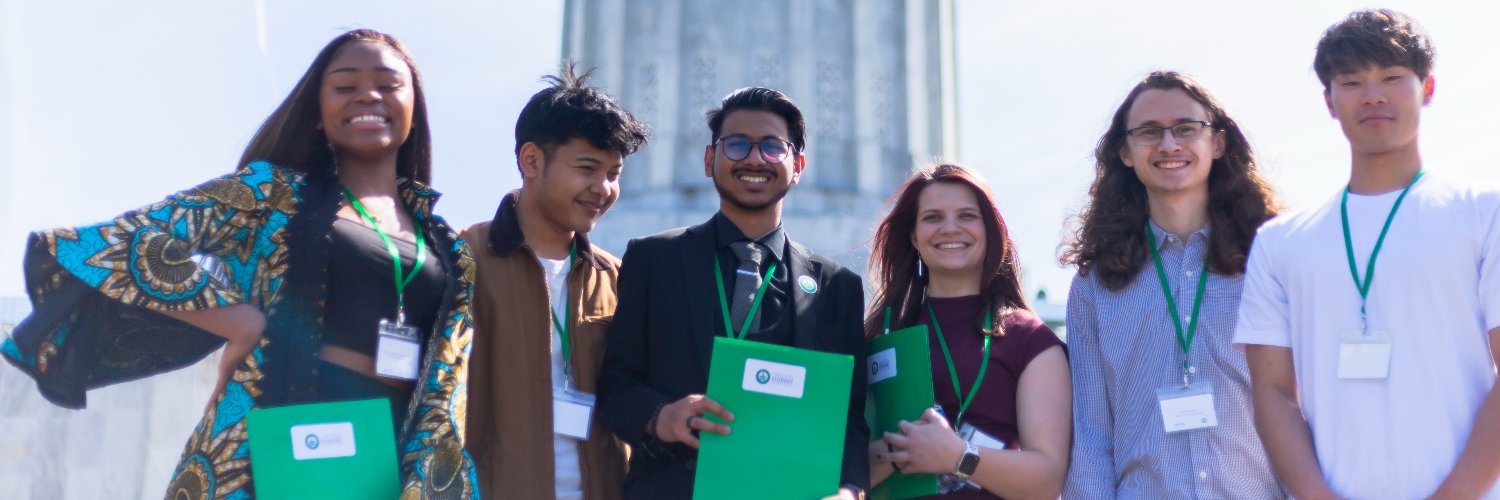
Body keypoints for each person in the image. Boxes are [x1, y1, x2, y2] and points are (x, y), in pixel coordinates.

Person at [0, 29, 479, 498]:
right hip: (281, 439)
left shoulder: (447, 246)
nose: (368, 95)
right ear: (318, 113)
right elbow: (124, 239)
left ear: (414, 108)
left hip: (399, 458)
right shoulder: (272, 193)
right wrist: (239, 320)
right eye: (345, 85)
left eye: (388, 84)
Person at [1236, 9, 1500, 498]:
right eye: (1352, 81)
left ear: (1428, 88)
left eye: (1392, 77)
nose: (1373, 95)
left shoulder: (1486, 211)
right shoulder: (1280, 241)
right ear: (1329, 101)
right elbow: (1273, 391)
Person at [596, 87, 869, 499]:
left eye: (773, 147)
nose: (755, 159)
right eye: (737, 144)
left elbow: (849, 415)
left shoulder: (836, 287)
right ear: (710, 160)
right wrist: (661, 416)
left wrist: (850, 490)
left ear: (798, 165)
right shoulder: (654, 260)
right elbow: (615, 382)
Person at [1058, 71, 1283, 498]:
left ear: (1217, 142)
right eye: (1149, 132)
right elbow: (1090, 440)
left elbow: (1306, 409)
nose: (1168, 145)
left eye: (1185, 128)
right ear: (1125, 152)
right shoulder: (1093, 286)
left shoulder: (1271, 262)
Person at [461, 63, 648, 500]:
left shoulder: (618, 279)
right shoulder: (462, 260)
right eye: (587, 168)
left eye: (613, 173)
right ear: (531, 160)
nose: (602, 188)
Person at [865, 163, 1071, 499]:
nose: (950, 228)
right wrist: (900, 448)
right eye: (933, 217)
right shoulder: (881, 339)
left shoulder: (1031, 340)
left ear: (990, 230)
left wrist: (958, 456)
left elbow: (1047, 481)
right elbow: (843, 473)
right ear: (914, 236)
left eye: (967, 216)